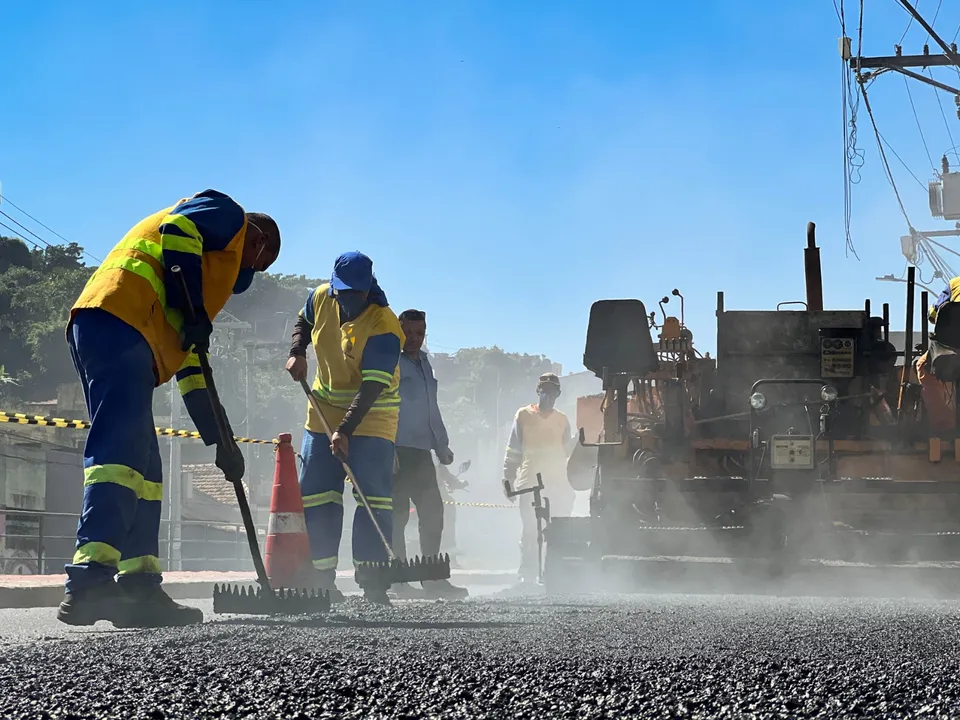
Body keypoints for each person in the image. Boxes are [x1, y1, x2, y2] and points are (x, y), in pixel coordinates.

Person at [59, 189, 280, 628]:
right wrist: (191, 308)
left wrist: (222, 442)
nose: (249, 273)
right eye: (258, 263)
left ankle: (139, 587)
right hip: (120, 319)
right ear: (257, 241)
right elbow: (177, 227)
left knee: (145, 470)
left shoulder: (193, 287)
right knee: (120, 457)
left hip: (117, 328)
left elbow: (193, 374)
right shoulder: (229, 215)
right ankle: (89, 582)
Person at [285, 251, 403, 605]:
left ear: (369, 289)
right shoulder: (321, 296)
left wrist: (345, 430)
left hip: (373, 415)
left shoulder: (384, 326)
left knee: (372, 497)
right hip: (323, 410)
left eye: (357, 293)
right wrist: (297, 351)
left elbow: (372, 387)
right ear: (334, 287)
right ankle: (321, 580)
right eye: (344, 292)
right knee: (317, 495)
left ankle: (373, 581)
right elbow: (303, 321)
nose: (350, 299)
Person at [391, 309, 467, 600]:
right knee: (398, 517)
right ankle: (398, 581)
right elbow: (384, 405)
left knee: (433, 513)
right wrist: (387, 448)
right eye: (408, 333)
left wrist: (442, 446)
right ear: (399, 331)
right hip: (397, 450)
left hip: (421, 452)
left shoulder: (424, 362)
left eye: (419, 333)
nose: (413, 338)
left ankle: (433, 579)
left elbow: (430, 407)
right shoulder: (391, 361)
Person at [502, 372, 577, 584]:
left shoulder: (562, 420)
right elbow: (513, 449)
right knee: (530, 531)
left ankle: (553, 573)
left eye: (552, 391)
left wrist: (577, 441)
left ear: (558, 394)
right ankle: (527, 574)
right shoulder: (524, 415)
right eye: (544, 390)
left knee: (556, 531)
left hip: (557, 483)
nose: (548, 395)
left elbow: (566, 451)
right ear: (538, 391)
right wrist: (508, 478)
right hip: (529, 482)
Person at [916, 278, 960, 433]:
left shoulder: (955, 284)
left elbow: (933, 315)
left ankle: (943, 425)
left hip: (952, 349)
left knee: (923, 366)